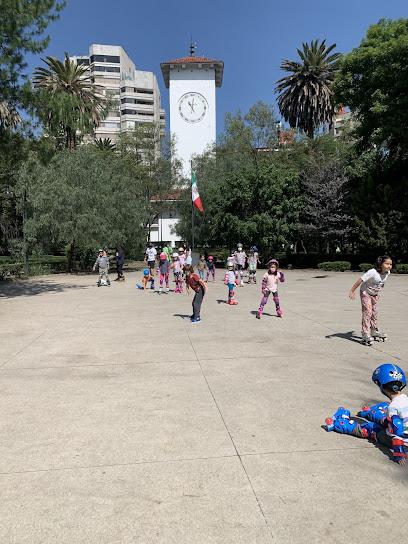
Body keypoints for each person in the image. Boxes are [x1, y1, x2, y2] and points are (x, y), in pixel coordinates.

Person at [325, 364, 408, 466]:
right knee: (388, 420)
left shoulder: (393, 407)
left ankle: (340, 424)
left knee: (370, 428)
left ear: (382, 386)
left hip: (401, 442)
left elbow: (398, 426)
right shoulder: (406, 399)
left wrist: (399, 453)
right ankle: (373, 414)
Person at [349, 255, 393, 345]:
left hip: (375, 294)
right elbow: (361, 280)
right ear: (380, 264)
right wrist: (352, 291)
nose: (389, 266)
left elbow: (383, 281)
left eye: (391, 264)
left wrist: (381, 286)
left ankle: (374, 330)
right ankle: (365, 332)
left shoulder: (387, 273)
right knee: (367, 312)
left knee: (375, 312)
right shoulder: (372, 272)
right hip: (365, 292)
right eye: (387, 264)